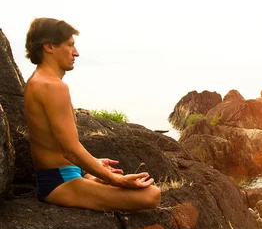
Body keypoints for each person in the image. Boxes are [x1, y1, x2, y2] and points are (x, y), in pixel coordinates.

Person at [23, 17, 161, 211]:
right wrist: (117, 180)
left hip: (65, 174)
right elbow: (70, 150)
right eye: (70, 45)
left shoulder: (37, 81)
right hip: (58, 183)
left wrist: (91, 167)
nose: (76, 53)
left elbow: (55, 143)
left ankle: (88, 176)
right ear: (49, 47)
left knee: (139, 186)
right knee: (151, 195)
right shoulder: (52, 87)